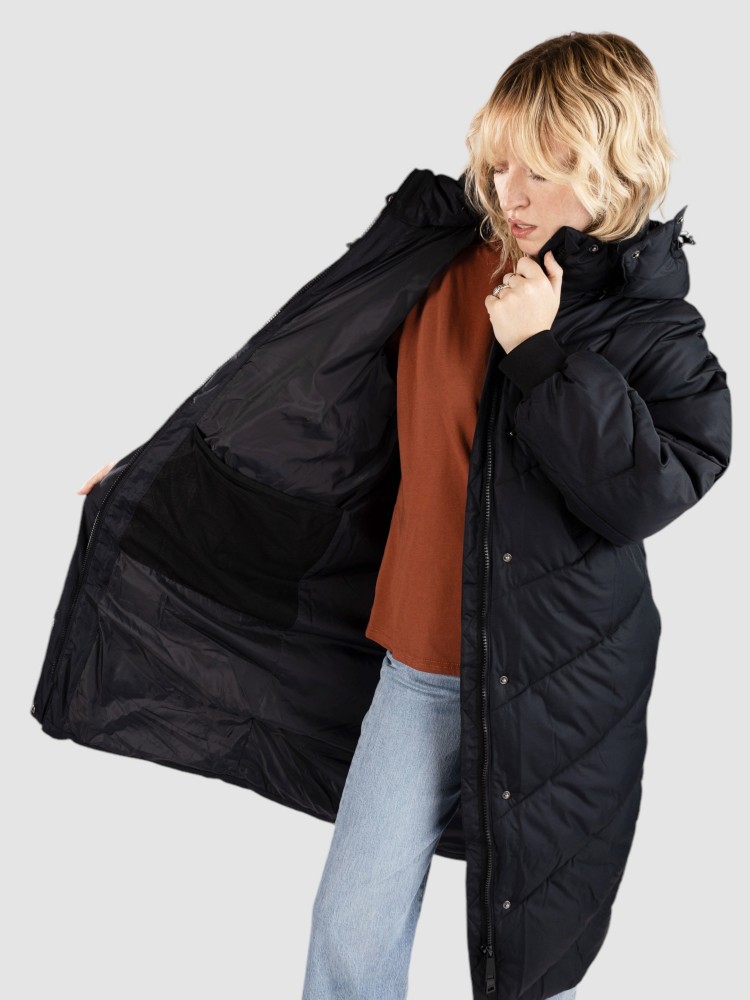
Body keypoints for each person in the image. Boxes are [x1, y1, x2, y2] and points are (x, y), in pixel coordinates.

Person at [74, 31, 731, 1000]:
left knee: (530, 958)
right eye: (499, 162)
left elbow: (652, 487)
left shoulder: (647, 324)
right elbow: (295, 380)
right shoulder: (435, 255)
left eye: (541, 169)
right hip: (417, 666)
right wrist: (156, 471)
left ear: (611, 165)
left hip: (555, 676)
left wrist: (544, 357)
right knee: (353, 925)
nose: (510, 191)